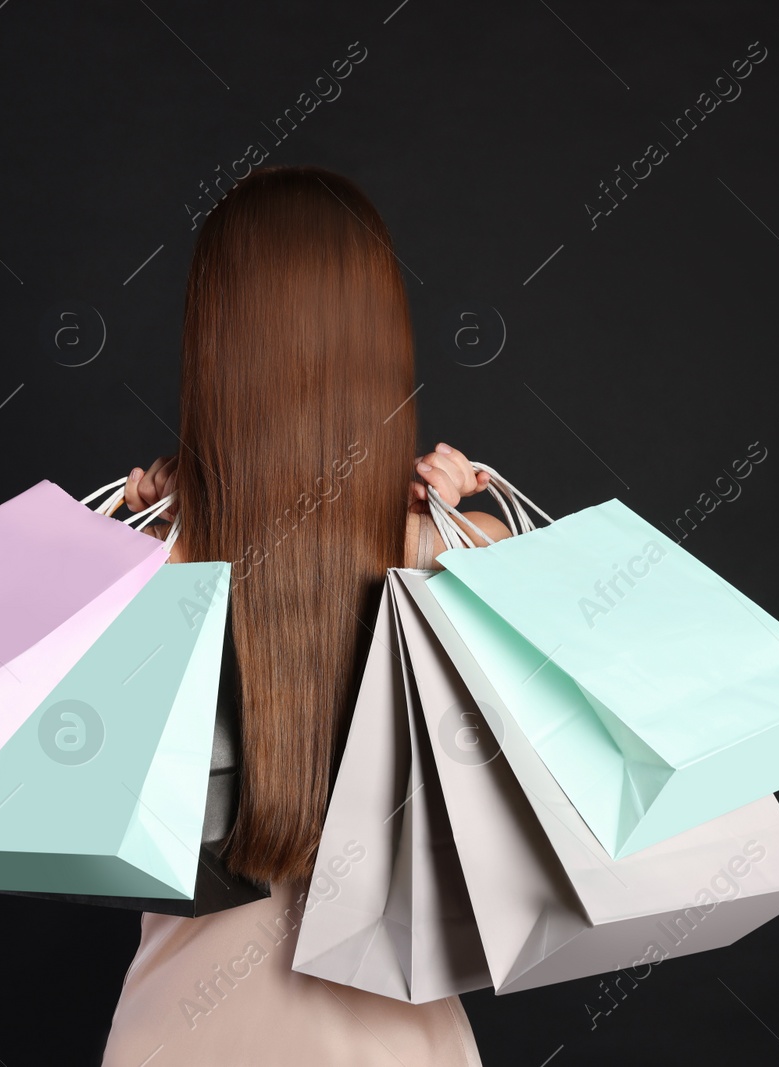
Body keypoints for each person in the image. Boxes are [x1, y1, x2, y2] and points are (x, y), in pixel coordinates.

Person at [100, 165, 511, 1066]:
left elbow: (41, 763)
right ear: (378, 338)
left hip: (175, 1037)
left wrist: (127, 539)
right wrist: (483, 537)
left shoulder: (147, 559)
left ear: (215, 342)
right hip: (398, 1044)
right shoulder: (454, 552)